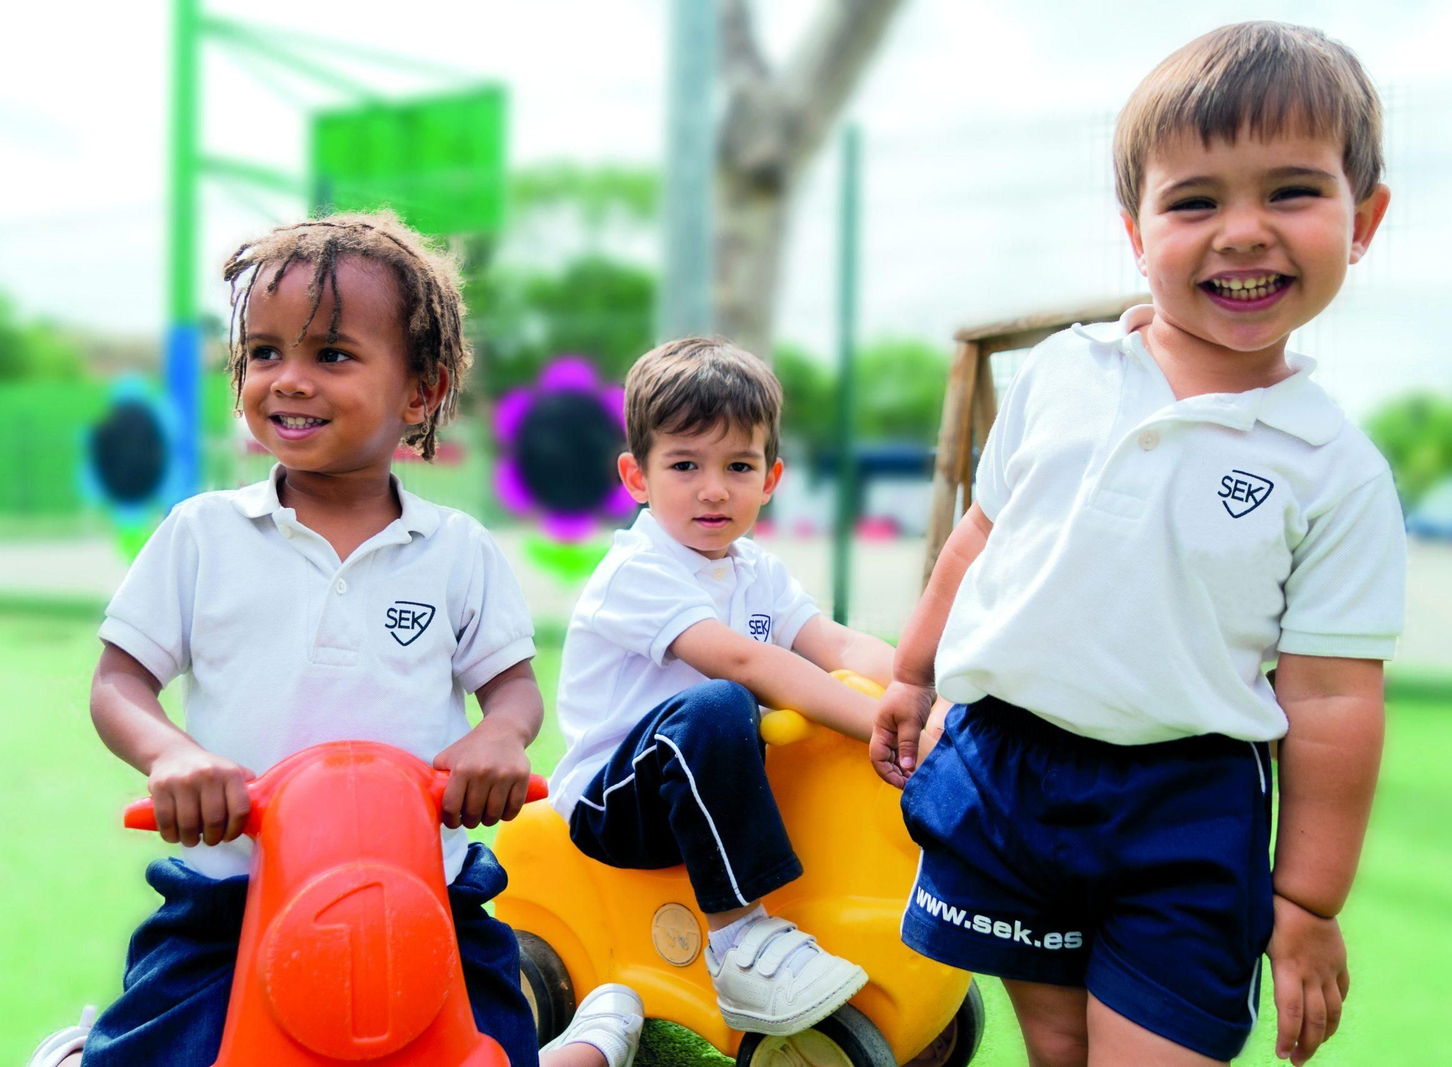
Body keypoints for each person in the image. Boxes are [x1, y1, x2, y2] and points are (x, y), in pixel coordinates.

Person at [873, 22, 1404, 1067]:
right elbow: (980, 539)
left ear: (1363, 220)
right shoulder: (1061, 375)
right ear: (1135, 230)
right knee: (1057, 1040)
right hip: (1009, 767)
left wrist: (1306, 900)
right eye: (1195, 201)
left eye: (1291, 191)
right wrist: (910, 672)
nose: (1242, 232)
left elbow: (1333, 700)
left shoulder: (1334, 469)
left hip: (1184, 803)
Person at [30, 212, 643, 1067]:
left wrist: (498, 737)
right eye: (264, 352)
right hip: (234, 898)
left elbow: (510, 689)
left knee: (490, 1048)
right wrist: (173, 756)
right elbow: (118, 681)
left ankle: (591, 1040)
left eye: (332, 354)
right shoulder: (203, 533)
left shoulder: (456, 549)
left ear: (420, 391)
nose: (288, 379)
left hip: (428, 896)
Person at [546, 337, 895, 1037]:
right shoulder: (637, 571)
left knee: (768, 726)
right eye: (685, 465)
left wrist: (923, 694)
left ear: (770, 478)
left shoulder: (757, 570)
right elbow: (742, 661)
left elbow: (836, 645)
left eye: (739, 465)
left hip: (708, 792)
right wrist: (880, 722)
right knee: (722, 703)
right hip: (617, 802)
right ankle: (740, 940)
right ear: (636, 476)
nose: (714, 489)